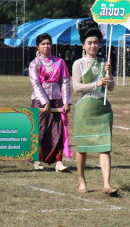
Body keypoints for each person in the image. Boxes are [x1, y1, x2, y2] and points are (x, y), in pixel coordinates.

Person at [72, 19, 117, 194]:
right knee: (82, 148)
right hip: (85, 108)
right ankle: (82, 181)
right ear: (83, 44)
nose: (93, 46)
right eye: (90, 43)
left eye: (96, 42)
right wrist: (96, 83)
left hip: (102, 108)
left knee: (105, 146)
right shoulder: (78, 63)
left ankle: (107, 184)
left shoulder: (103, 62)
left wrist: (109, 74)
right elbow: (76, 87)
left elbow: (111, 87)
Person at [29, 33, 73, 172]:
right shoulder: (34, 64)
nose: (46, 46)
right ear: (38, 46)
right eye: (43, 44)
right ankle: (36, 159)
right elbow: (36, 84)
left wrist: (66, 102)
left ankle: (58, 161)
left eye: (48, 43)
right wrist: (44, 101)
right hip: (39, 101)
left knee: (57, 130)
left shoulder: (60, 62)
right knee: (39, 130)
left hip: (57, 100)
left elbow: (65, 82)